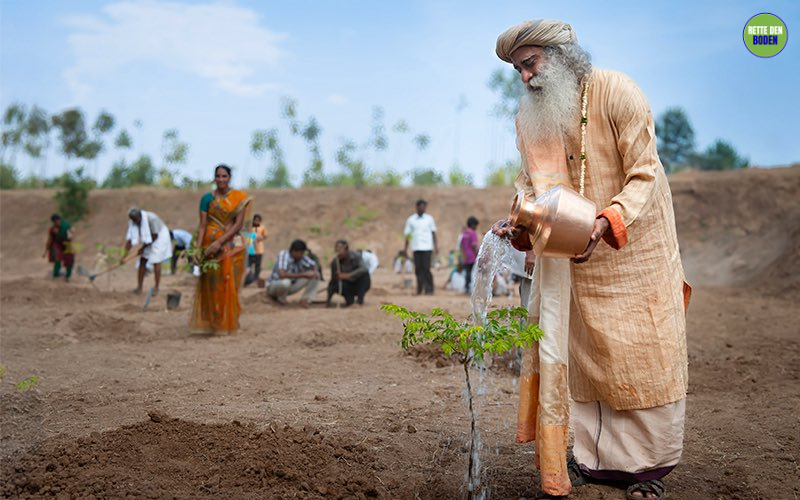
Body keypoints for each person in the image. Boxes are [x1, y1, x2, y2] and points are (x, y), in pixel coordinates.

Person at [493, 19, 690, 499]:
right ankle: (589, 462)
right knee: (578, 358)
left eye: (530, 64)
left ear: (560, 55)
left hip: (633, 253)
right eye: (518, 70)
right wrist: (521, 223)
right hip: (570, 260)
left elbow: (645, 173)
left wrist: (605, 223)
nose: (525, 78)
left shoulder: (618, 91)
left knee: (638, 357)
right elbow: (529, 186)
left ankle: (644, 472)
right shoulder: (531, 118)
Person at [189, 164, 252, 335]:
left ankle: (227, 322)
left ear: (229, 178)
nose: (221, 179)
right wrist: (198, 249)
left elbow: (238, 224)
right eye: (218, 176)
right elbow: (202, 225)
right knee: (210, 284)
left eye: (224, 176)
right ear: (214, 178)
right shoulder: (206, 199)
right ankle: (213, 321)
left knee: (228, 283)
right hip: (208, 247)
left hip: (229, 246)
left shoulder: (239, 198)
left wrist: (220, 242)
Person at [124, 207, 172, 295]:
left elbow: (155, 236)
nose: (136, 222)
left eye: (137, 220)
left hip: (159, 235)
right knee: (143, 260)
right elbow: (129, 240)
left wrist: (143, 248)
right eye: (134, 221)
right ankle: (139, 288)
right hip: (149, 238)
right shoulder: (133, 223)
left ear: (140, 216)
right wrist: (123, 256)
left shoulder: (152, 218)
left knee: (156, 261)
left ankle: (156, 288)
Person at [267, 239, 320, 308]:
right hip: (275, 286)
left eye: (303, 253)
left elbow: (314, 264)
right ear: (294, 251)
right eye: (301, 253)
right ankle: (280, 301)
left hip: (289, 286)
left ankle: (305, 299)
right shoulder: (284, 255)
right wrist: (304, 274)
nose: (302, 255)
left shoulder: (301, 258)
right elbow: (282, 275)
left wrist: (314, 272)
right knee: (286, 282)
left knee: (315, 275)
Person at [403, 199, 438, 295]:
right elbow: (408, 235)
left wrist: (436, 246)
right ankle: (419, 289)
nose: (422, 208)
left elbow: (433, 233)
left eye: (424, 207)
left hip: (427, 248)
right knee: (418, 269)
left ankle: (429, 289)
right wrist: (405, 248)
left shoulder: (429, 219)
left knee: (426, 269)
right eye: (421, 206)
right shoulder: (411, 220)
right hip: (416, 248)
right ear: (417, 207)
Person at [326, 240, 371, 307]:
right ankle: (350, 301)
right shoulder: (335, 262)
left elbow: (363, 268)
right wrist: (328, 300)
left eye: (340, 248)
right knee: (337, 285)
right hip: (347, 285)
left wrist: (349, 275)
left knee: (364, 275)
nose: (338, 250)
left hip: (359, 284)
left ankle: (359, 300)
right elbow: (333, 280)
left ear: (346, 249)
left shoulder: (356, 256)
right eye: (336, 248)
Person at [43, 213, 74, 281]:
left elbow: (71, 233)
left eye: (59, 220)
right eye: (56, 221)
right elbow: (50, 240)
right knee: (58, 258)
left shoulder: (66, 225)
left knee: (69, 260)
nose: (58, 222)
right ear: (54, 222)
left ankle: (68, 276)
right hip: (58, 245)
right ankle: (56, 274)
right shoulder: (52, 229)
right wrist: (46, 251)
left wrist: (70, 237)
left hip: (67, 244)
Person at [244, 214, 268, 286]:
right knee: (248, 265)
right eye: (255, 220)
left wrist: (261, 238)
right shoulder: (250, 228)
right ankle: (248, 279)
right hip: (250, 250)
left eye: (258, 220)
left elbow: (265, 236)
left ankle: (256, 279)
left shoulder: (262, 227)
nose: (256, 221)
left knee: (257, 266)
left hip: (259, 249)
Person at [460, 216, 480, 294]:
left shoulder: (464, 233)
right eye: (476, 225)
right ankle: (471, 288)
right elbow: (474, 245)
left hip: (465, 256)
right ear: (472, 224)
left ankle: (466, 287)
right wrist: (478, 254)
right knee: (472, 272)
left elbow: (461, 245)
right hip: (472, 256)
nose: (476, 227)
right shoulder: (472, 233)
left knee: (467, 272)